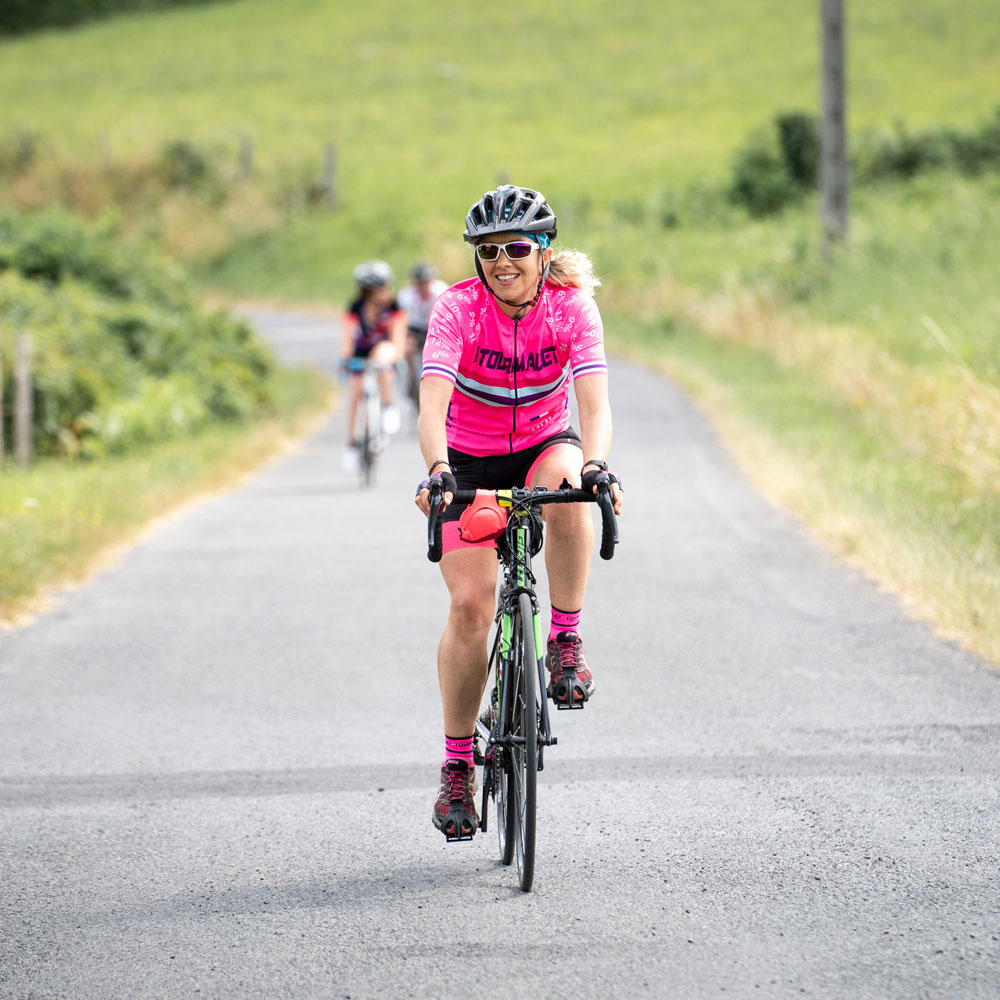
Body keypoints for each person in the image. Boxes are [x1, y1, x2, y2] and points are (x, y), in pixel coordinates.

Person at [414, 185, 624, 840]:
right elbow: (430, 405)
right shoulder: (456, 308)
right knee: (472, 607)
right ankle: (456, 771)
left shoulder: (570, 309)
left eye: (516, 248)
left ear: (542, 252)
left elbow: (593, 405)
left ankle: (564, 639)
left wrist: (596, 464)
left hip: (541, 446)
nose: (502, 261)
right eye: (489, 250)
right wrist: (438, 472)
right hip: (469, 465)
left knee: (568, 489)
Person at [340, 260, 406, 473]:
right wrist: (346, 358)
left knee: (381, 356)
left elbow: (398, 339)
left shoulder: (394, 308)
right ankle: (352, 443)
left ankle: (388, 406)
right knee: (356, 392)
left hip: (385, 352)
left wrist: (396, 356)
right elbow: (347, 337)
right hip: (361, 353)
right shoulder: (356, 307)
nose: (384, 292)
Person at [398, 262, 448, 407]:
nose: (424, 287)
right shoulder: (407, 296)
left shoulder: (440, 290)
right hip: (415, 327)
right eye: (420, 284)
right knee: (407, 348)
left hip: (434, 325)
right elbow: (399, 316)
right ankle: (412, 376)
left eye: (426, 283)